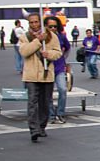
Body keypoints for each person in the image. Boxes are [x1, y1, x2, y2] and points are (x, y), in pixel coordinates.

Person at [18, 13, 61, 142]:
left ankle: (42, 126)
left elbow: (58, 52)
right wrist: (38, 41)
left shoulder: (52, 36)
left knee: (45, 102)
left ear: (40, 22)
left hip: (46, 74)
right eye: (31, 22)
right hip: (31, 75)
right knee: (32, 102)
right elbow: (24, 52)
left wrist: (49, 54)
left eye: (36, 22)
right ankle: (34, 129)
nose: (34, 25)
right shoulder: (24, 37)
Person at [45, 16, 70, 124]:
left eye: (55, 26)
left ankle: (60, 113)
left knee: (62, 90)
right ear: (46, 26)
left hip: (59, 67)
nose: (53, 28)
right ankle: (51, 115)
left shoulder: (61, 37)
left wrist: (63, 58)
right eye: (50, 26)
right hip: (46, 68)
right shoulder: (42, 38)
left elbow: (68, 48)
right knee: (48, 94)